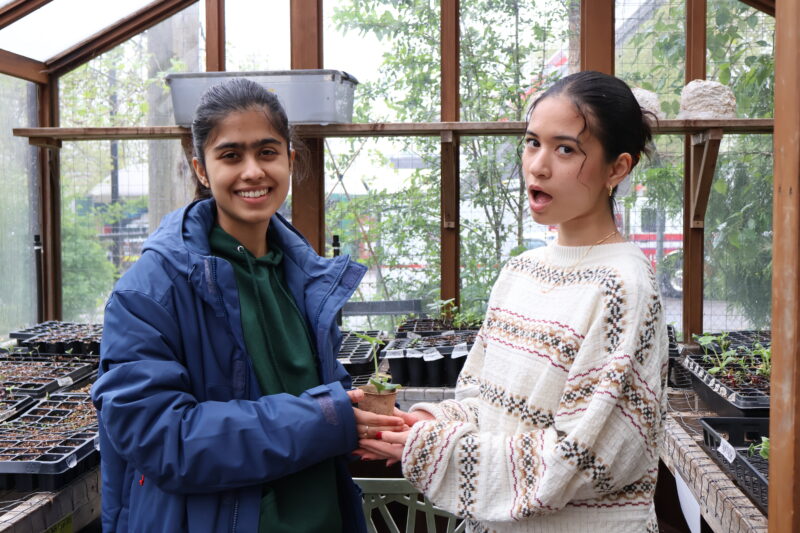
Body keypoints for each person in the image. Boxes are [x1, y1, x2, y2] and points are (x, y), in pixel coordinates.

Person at [357, 70, 668, 532]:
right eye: (532, 142)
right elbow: (485, 403)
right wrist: (423, 422)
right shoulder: (520, 271)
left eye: (566, 149)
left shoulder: (623, 286)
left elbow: (585, 457)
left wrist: (428, 447)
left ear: (617, 169)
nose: (538, 165)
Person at [91, 78, 404, 532]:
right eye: (231, 155)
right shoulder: (149, 292)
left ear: (291, 161)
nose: (253, 171)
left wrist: (363, 418)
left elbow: (312, 391)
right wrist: (327, 420)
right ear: (201, 169)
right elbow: (163, 439)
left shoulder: (302, 277)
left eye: (268, 152)